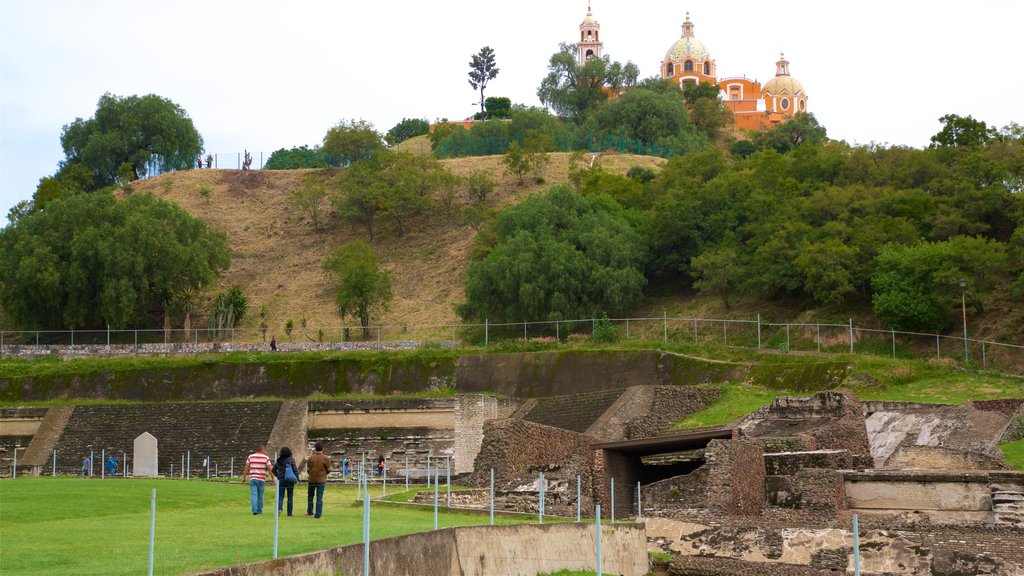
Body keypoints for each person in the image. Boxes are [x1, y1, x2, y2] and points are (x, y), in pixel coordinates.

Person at [242, 445, 273, 515]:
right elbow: (270, 469)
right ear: (262, 450)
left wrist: (244, 477)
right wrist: (273, 478)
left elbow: (246, 467)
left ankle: (254, 510)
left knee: (253, 494)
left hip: (253, 478)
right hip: (261, 479)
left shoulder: (250, 457)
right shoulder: (266, 458)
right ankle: (259, 510)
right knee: (260, 495)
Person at [305, 442, 332, 518]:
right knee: (319, 498)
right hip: (321, 481)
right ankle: (318, 514)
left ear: (315, 449)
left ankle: (310, 512)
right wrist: (324, 473)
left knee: (310, 496)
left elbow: (308, 469)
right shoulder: (326, 458)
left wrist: (312, 474)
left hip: (311, 480)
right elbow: (329, 469)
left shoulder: (311, 458)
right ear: (322, 449)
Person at [273, 447, 299, 517]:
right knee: (290, 496)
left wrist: (277, 475)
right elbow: (295, 469)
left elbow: (273, 469)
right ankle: (289, 513)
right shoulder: (291, 459)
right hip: (289, 479)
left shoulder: (279, 460)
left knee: (280, 496)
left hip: (281, 479)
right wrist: (297, 479)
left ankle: (279, 508)